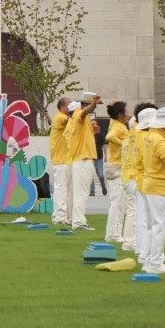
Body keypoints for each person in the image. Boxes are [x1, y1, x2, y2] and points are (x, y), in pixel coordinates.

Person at [141, 106, 165, 274]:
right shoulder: (159, 139)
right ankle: (155, 262)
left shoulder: (150, 136)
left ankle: (150, 260)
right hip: (160, 185)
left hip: (151, 183)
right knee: (160, 226)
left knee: (153, 225)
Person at [65, 95, 101, 230]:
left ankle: (71, 219)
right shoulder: (79, 115)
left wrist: (92, 131)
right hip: (82, 160)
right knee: (81, 193)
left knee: (75, 194)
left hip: (76, 160)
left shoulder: (75, 121)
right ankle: (79, 222)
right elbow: (85, 112)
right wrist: (94, 104)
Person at [129, 105, 156, 263]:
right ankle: (145, 252)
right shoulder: (146, 137)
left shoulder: (136, 133)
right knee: (148, 219)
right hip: (145, 179)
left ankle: (141, 249)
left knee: (142, 217)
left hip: (138, 177)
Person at [103, 102, 132, 245]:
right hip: (116, 168)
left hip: (117, 166)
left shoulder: (115, 123)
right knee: (118, 202)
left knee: (119, 202)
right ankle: (114, 234)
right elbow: (109, 136)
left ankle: (114, 233)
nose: (128, 114)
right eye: (126, 112)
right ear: (120, 115)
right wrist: (125, 144)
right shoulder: (118, 127)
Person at [47, 99, 74, 226]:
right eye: (70, 105)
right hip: (60, 160)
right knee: (61, 189)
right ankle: (59, 217)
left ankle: (64, 216)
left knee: (66, 190)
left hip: (66, 160)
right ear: (63, 106)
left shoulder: (66, 119)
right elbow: (65, 120)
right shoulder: (59, 117)